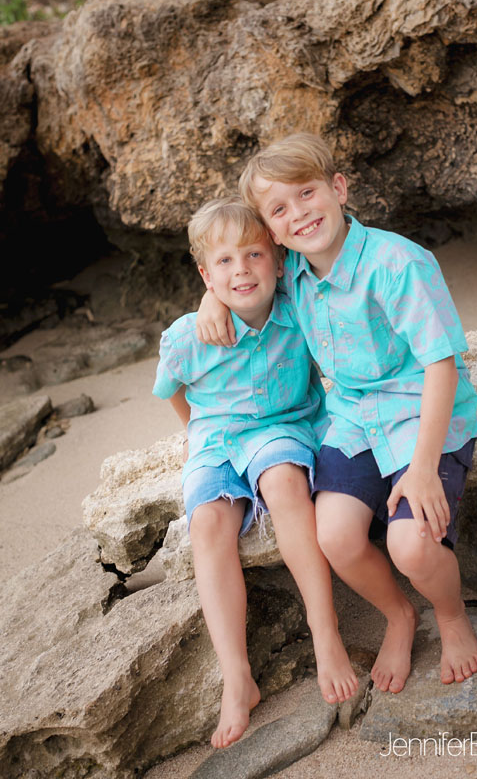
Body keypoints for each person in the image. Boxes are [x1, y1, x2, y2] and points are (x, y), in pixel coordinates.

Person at [196, 134, 477, 695]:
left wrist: (423, 468)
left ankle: (450, 616)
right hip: (352, 423)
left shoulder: (397, 262)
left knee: (411, 545)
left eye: (307, 193)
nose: (299, 214)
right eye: (278, 209)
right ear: (271, 233)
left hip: (419, 419)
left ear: (338, 188)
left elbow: (440, 365)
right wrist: (211, 297)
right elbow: (238, 277)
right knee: (336, 537)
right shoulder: (294, 277)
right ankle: (400, 615)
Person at [153, 196, 358, 749]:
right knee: (208, 524)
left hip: (284, 424)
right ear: (205, 274)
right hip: (217, 437)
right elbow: (171, 389)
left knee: (284, 481)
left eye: (254, 255)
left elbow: (320, 261)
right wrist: (199, 435)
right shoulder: (188, 335)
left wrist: (214, 295)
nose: (241, 269)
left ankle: (325, 632)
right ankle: (237, 677)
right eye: (224, 263)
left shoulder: (297, 307)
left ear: (277, 259)